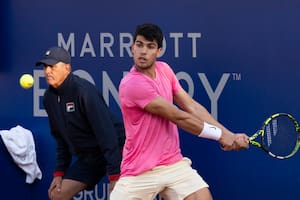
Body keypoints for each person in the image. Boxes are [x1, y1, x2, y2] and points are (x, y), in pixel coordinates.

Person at [110, 23, 249, 200]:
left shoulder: (164, 70)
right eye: (139, 45)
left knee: (203, 197)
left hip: (172, 163)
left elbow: (191, 106)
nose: (143, 51)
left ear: (159, 51)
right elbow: (178, 116)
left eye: (150, 46)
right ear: (132, 47)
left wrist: (230, 135)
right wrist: (220, 136)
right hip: (138, 171)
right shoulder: (132, 84)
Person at [35, 46, 125, 200]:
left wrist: (115, 174)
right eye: (45, 67)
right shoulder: (48, 98)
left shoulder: (83, 91)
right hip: (90, 157)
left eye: (53, 66)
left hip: (118, 149)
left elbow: (106, 134)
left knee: (119, 196)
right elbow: (60, 138)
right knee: (57, 195)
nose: (48, 71)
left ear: (67, 68)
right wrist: (59, 173)